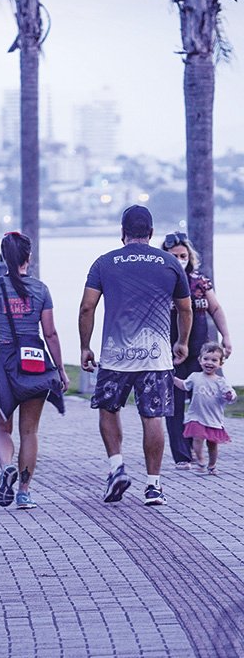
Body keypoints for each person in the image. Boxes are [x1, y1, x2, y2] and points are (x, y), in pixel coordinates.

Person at [79, 205, 192, 507]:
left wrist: (85, 346)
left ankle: (117, 467)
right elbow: (185, 308)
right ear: (152, 233)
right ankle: (153, 486)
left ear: (122, 232)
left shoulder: (104, 263)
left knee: (108, 409)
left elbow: (87, 307)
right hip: (156, 356)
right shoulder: (170, 263)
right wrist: (182, 342)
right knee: (152, 417)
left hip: (115, 355)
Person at [0, 232, 69, 510]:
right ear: (29, 257)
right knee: (30, 432)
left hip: (3, 361)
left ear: (3, 257)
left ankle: (6, 467)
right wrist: (60, 370)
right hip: (34, 363)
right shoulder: (41, 289)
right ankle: (24, 492)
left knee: (1, 429)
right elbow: (49, 333)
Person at [159, 231, 233, 470]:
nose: (180, 259)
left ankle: (195, 446)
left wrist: (226, 337)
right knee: (174, 404)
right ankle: (181, 455)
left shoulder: (200, 280)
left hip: (201, 353)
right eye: (174, 255)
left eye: (183, 255)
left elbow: (216, 309)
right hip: (171, 351)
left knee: (202, 401)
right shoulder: (160, 282)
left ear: (189, 256)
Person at [174, 342, 235, 475]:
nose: (209, 362)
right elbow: (184, 385)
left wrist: (230, 396)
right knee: (197, 437)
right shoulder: (195, 377)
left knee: (212, 444)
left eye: (214, 360)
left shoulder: (220, 381)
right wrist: (172, 379)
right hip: (196, 416)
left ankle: (212, 465)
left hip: (213, 418)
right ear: (200, 360)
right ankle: (201, 460)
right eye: (206, 359)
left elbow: (230, 394)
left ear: (220, 363)